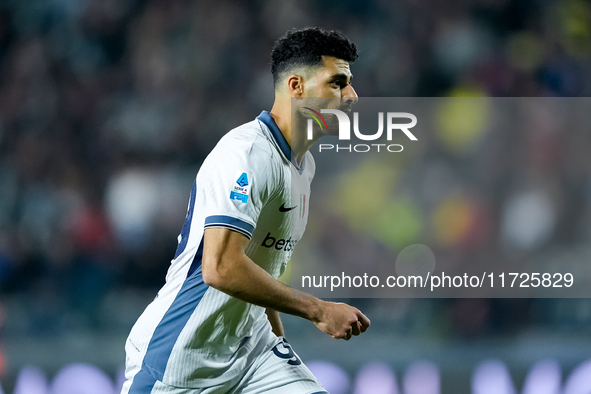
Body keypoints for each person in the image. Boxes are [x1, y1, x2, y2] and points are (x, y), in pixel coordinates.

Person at [121, 27, 370, 394]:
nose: (352, 96)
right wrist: (317, 309)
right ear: (296, 86)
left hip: (251, 351)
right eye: (337, 83)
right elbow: (220, 267)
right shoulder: (247, 153)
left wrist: (279, 344)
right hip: (180, 360)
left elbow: (262, 264)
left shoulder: (304, 164)